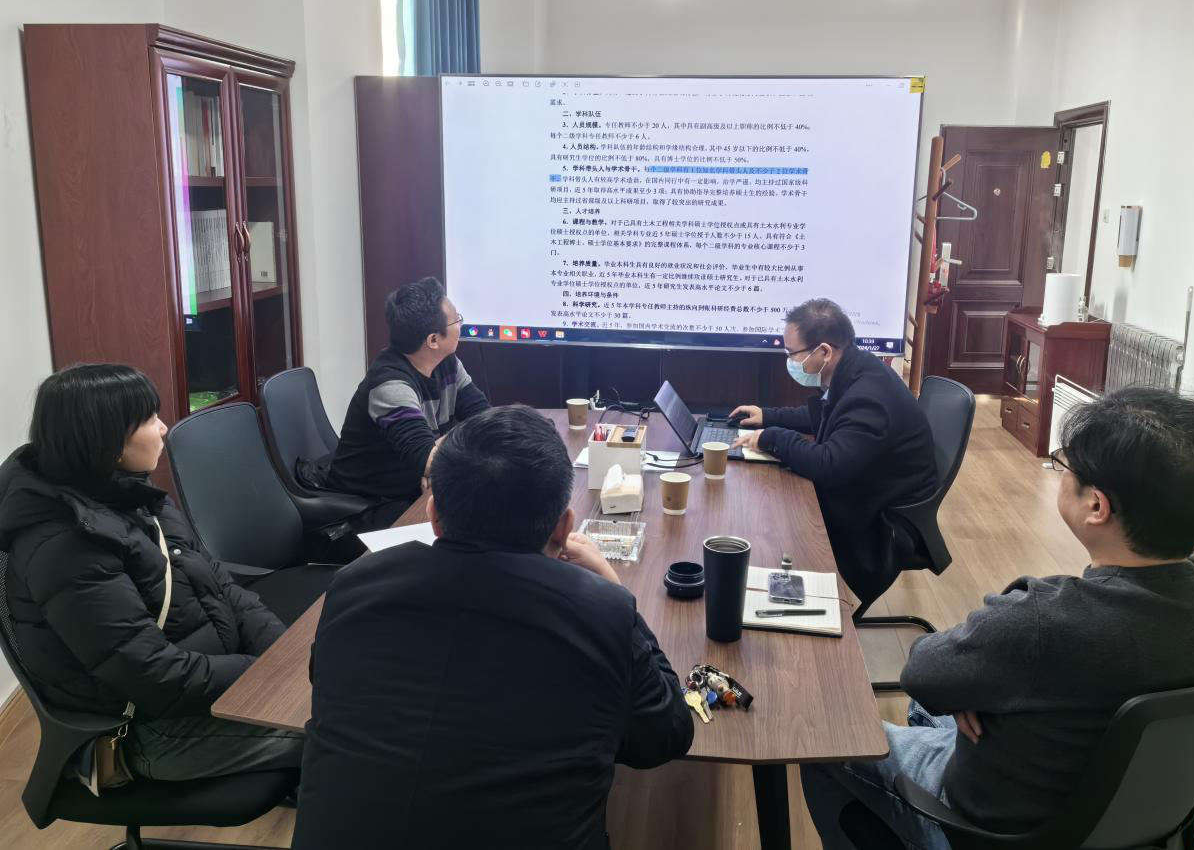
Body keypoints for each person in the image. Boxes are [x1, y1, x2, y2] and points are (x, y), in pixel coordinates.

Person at [801, 388, 1194, 849]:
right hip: (1110, 812)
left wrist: (978, 676)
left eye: (1065, 465)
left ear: (1096, 506)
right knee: (944, 696)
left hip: (989, 827)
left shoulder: (1043, 622)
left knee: (827, 741)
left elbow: (920, 671)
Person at [294, 405, 693, 850]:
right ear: (564, 527)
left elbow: (326, 682)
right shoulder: (600, 611)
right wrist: (618, 595)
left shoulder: (352, 585)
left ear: (433, 515)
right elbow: (665, 736)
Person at [0, 364, 303, 781]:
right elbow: (154, 677)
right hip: (146, 730)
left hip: (206, 684)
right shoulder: (67, 548)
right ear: (106, 439)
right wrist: (263, 674)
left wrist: (282, 655)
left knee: (341, 691)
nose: (163, 428)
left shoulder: (133, 497)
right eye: (149, 419)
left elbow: (221, 586)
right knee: (345, 725)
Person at [730, 298, 939, 608]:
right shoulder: (855, 369)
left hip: (882, 521)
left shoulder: (869, 397)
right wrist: (768, 416)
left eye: (792, 353)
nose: (789, 361)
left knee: (778, 516)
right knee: (776, 500)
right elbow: (828, 416)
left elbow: (828, 465)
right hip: (869, 489)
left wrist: (772, 438)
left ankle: (788, 603)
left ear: (825, 351)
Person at [327, 277, 491, 526]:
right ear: (433, 340)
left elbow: (485, 419)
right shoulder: (390, 385)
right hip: (370, 507)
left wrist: (439, 449)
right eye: (456, 319)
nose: (460, 324)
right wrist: (434, 459)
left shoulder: (447, 363)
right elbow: (429, 460)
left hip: (411, 493)